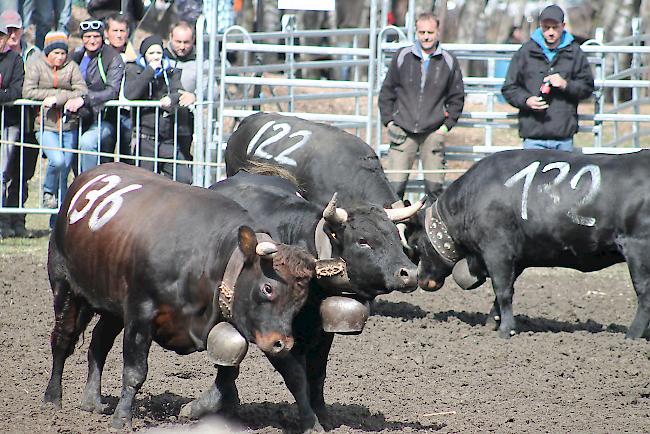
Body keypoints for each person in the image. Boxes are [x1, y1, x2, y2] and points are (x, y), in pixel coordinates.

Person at [378, 12, 465, 199]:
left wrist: (445, 127)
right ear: (416, 32)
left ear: (438, 32)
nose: (426, 36)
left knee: (435, 189)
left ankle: (430, 227)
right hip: (402, 131)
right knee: (394, 188)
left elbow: (457, 97)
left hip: (433, 132)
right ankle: (396, 227)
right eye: (422, 32)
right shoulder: (402, 57)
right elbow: (387, 91)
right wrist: (389, 122)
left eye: (430, 32)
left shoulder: (449, 61)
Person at [501, 4, 594, 152]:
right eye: (546, 27)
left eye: (555, 27)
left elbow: (587, 87)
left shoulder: (575, 53)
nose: (550, 32)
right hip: (533, 135)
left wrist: (566, 85)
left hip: (563, 136)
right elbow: (509, 87)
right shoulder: (525, 52)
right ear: (540, 26)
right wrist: (526, 100)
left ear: (563, 26)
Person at [22, 31, 87, 228]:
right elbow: (28, 91)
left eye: (63, 53)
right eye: (55, 53)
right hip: (45, 125)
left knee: (64, 169)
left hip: (69, 126)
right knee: (57, 160)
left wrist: (58, 99)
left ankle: (56, 221)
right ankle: (47, 192)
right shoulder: (36, 65)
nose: (59, 57)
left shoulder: (72, 67)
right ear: (47, 52)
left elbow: (82, 90)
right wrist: (61, 96)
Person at [124, 35, 191, 184]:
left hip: (167, 138)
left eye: (159, 53)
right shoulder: (133, 70)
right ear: (144, 55)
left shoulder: (170, 72)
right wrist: (149, 71)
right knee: (146, 182)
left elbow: (179, 91)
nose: (156, 57)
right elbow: (130, 95)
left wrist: (171, 99)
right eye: (151, 53)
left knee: (184, 178)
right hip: (145, 138)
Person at [0, 10, 40, 237]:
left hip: (28, 125)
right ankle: (3, 221)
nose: (12, 33)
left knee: (23, 175)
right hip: (9, 122)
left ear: (22, 30)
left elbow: (20, 90)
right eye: (8, 29)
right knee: (3, 173)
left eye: (15, 28)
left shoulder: (34, 54)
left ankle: (17, 221)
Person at [70, 19, 125, 173]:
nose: (92, 40)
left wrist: (85, 99)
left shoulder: (112, 57)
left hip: (103, 118)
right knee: (66, 151)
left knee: (87, 143)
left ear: (102, 37)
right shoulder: (76, 56)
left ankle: (89, 184)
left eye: (96, 36)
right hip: (78, 117)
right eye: (87, 36)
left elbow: (113, 90)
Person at [165, 20, 201, 167]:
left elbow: (212, 88)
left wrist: (195, 96)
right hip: (161, 120)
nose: (182, 46)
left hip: (185, 121)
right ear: (170, 37)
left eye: (186, 42)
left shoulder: (201, 60)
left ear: (193, 40)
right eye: (178, 41)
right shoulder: (160, 56)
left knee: (183, 159)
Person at [0, 21, 24, 239]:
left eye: (1, 36)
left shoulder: (15, 60)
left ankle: (3, 220)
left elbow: (16, 90)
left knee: (2, 173)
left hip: (7, 123)